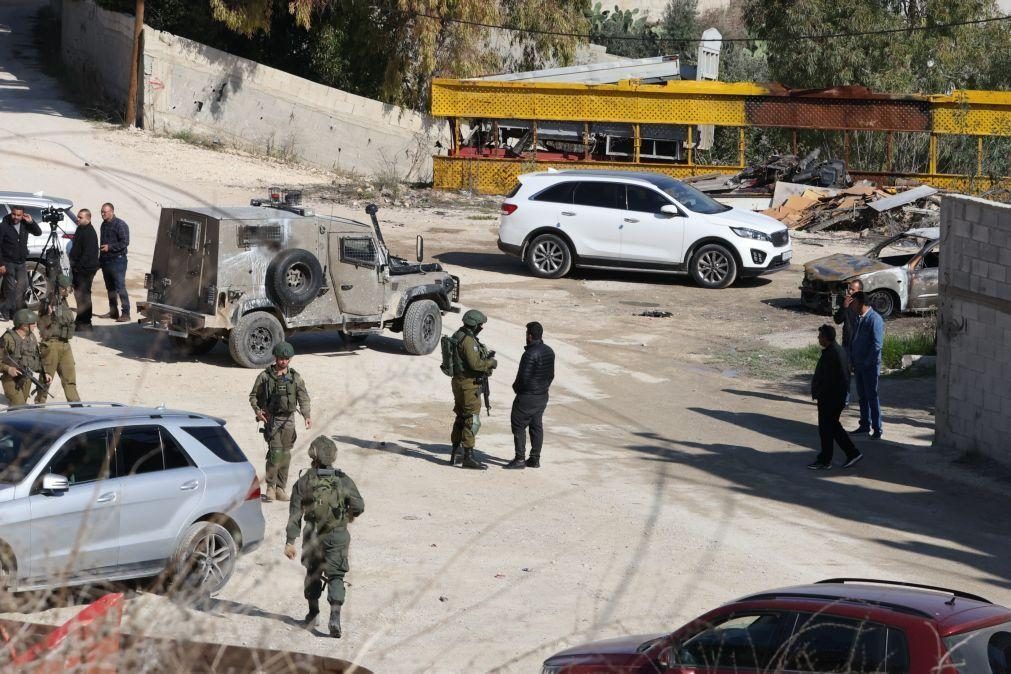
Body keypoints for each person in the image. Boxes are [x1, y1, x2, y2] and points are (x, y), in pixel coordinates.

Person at [284, 435, 364, 639]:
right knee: (336, 575)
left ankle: (313, 614)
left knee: (313, 572)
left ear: (313, 455)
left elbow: (295, 514)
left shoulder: (303, 481)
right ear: (333, 456)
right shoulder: (343, 479)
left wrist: (290, 542)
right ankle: (335, 618)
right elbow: (359, 506)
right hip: (337, 535)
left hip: (313, 535)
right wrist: (347, 516)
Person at [249, 341, 311, 501]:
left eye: (286, 359)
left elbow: (303, 397)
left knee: (285, 455)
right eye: (280, 358)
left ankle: (281, 488)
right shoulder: (265, 376)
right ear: (275, 358)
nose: (283, 361)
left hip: (289, 419)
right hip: (273, 419)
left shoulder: (295, 378)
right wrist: (258, 411)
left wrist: (307, 415)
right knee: (275, 454)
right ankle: (270, 487)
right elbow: (253, 396)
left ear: (290, 359)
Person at [809, 324, 862, 470]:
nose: (818, 338)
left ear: (826, 338)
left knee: (827, 429)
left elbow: (834, 380)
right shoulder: (834, 351)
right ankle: (849, 454)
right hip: (832, 398)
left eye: (820, 336)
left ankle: (827, 460)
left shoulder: (833, 354)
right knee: (832, 427)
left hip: (830, 399)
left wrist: (822, 394)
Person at [449, 309, 497, 470]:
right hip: (469, 385)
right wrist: (491, 363)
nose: (481, 327)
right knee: (472, 419)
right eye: (480, 324)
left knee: (461, 417)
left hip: (458, 382)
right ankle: (468, 456)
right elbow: (475, 364)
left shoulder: (458, 334)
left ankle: (455, 451)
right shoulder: (468, 341)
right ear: (474, 324)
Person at [504, 321, 555, 470]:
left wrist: (517, 389)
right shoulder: (549, 351)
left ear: (530, 336)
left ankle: (520, 458)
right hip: (542, 395)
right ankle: (534, 459)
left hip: (527, 396)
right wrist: (543, 388)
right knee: (536, 425)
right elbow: (551, 375)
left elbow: (523, 378)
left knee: (518, 424)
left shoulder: (529, 354)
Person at [35, 275, 80, 403]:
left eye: (68, 288)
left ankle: (76, 404)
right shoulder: (47, 302)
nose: (68, 291)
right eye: (65, 288)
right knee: (46, 378)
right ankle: (39, 404)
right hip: (51, 345)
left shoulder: (63, 301)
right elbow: (41, 325)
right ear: (58, 288)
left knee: (69, 378)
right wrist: (48, 315)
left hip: (65, 344)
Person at [849, 291, 885, 439]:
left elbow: (877, 345)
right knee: (862, 396)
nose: (852, 305)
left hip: (869, 366)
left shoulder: (875, 319)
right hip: (858, 364)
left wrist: (867, 362)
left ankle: (877, 428)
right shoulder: (859, 318)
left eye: (855, 302)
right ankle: (864, 424)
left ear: (862, 303)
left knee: (872, 397)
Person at [0, 206, 42, 321]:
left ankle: (6, 307)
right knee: (10, 288)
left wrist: (31, 222)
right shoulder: (4, 225)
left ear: (22, 215)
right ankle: (10, 312)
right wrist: (1, 264)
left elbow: (38, 233)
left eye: (19, 215)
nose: (16, 217)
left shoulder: (25, 224)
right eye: (14, 214)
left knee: (23, 286)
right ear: (11, 213)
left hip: (21, 261)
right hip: (8, 261)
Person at [1, 309, 49, 406]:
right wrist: (8, 368)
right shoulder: (8, 339)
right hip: (10, 380)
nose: (36, 325)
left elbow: (37, 358)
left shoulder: (31, 337)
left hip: (26, 379)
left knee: (22, 405)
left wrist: (45, 373)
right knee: (20, 407)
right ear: (24, 325)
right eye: (33, 323)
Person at [98, 203, 130, 322]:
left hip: (118, 260)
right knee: (110, 288)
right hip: (106, 261)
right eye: (101, 212)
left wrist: (110, 247)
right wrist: (100, 260)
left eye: (104, 212)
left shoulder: (120, 225)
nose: (102, 214)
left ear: (111, 211)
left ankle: (126, 313)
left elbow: (125, 242)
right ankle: (113, 311)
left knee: (120, 287)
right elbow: (102, 244)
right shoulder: (103, 225)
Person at [69, 208, 100, 330]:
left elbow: (88, 253)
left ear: (88, 218)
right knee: (79, 295)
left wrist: (78, 267)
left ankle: (86, 322)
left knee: (85, 295)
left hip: (85, 269)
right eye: (78, 216)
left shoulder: (90, 233)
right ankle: (80, 319)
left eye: (80, 217)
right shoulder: (80, 229)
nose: (78, 219)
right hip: (78, 268)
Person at [832, 279, 863, 350]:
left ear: (860, 292)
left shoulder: (864, 305)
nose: (850, 291)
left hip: (860, 343)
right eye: (849, 289)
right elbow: (837, 320)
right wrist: (844, 307)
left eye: (853, 290)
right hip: (847, 343)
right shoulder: (845, 302)